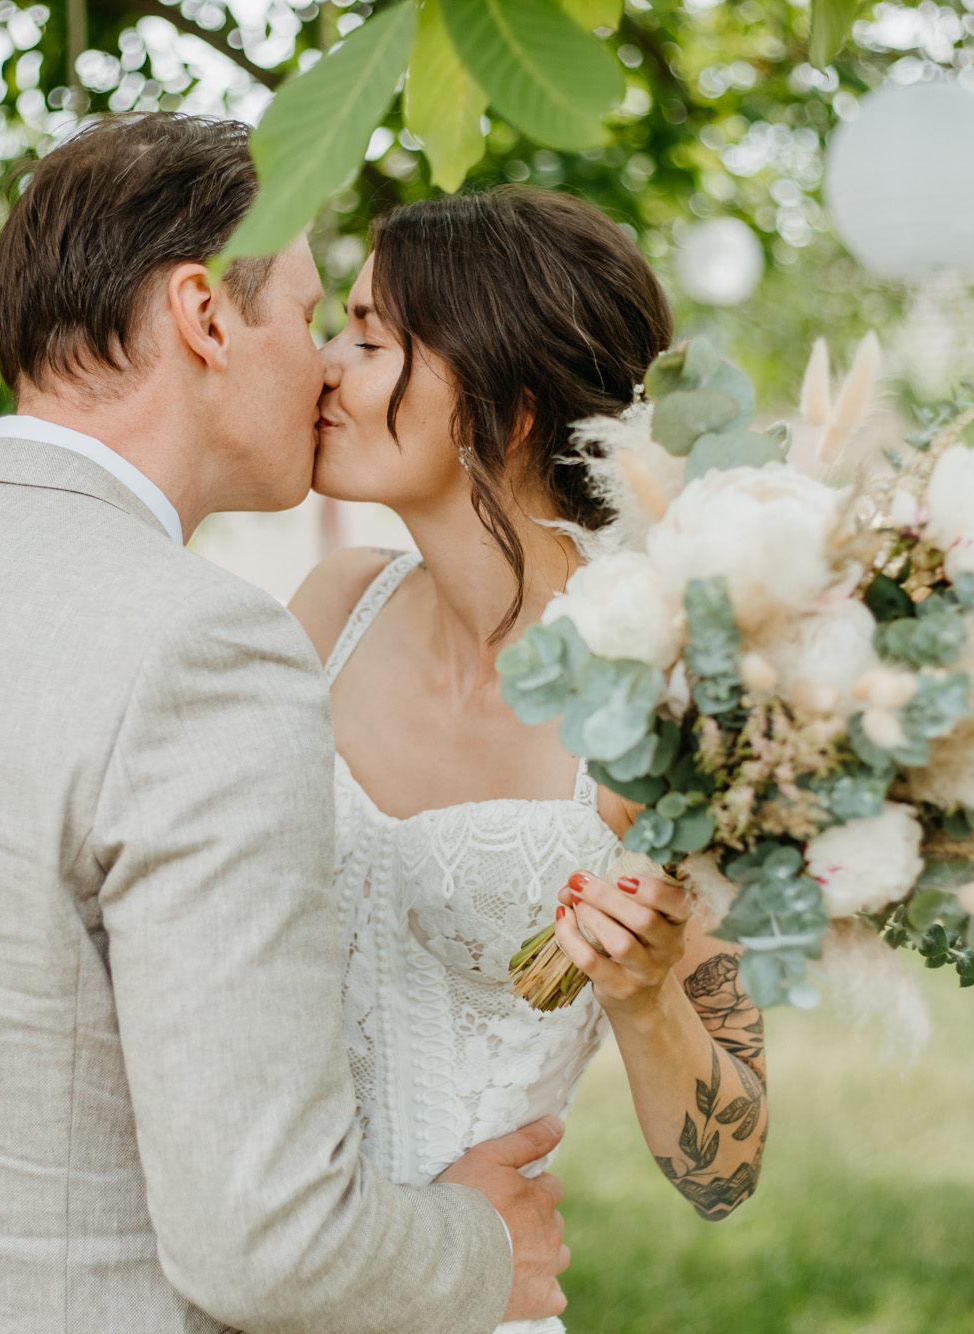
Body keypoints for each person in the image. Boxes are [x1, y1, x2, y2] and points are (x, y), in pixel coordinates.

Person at [0, 113, 570, 1334]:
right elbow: (261, 1242)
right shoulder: (203, 650)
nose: (324, 367)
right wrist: (484, 1247)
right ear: (205, 316)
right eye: (305, 315)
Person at [289, 191, 769, 1329]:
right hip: (275, 1268)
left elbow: (727, 1169)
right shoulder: (332, 609)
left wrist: (644, 996)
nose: (322, 367)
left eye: (368, 340)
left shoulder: (655, 701)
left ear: (506, 411)